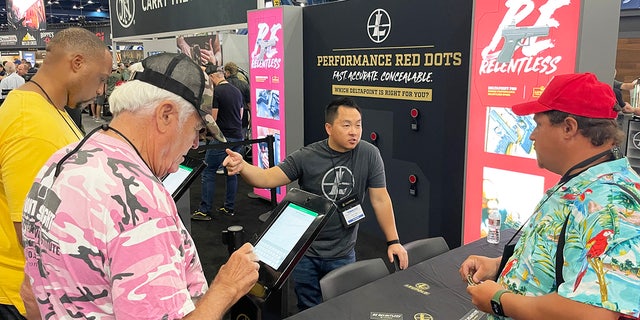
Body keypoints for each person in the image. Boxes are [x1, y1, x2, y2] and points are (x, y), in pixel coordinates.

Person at [22, 52, 259, 318]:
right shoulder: (137, 202)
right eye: (196, 129)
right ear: (165, 115)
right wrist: (227, 287)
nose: (195, 143)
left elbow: (32, 295)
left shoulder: (60, 161)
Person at [459, 73, 640, 319]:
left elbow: (591, 314)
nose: (532, 136)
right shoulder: (585, 180)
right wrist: (499, 265)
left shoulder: (610, 204)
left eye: (538, 124)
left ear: (568, 127)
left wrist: (499, 300)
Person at [222, 96, 409, 310]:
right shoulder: (307, 156)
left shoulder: (369, 154)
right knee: (308, 306)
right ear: (329, 128)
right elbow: (267, 178)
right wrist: (243, 166)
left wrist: (393, 241)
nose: (354, 132)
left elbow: (380, 199)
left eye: (358, 125)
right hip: (306, 252)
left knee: (342, 306)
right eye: (346, 125)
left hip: (343, 251)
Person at [0, 27, 112, 320]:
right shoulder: (32, 125)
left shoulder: (48, 107)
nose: (101, 90)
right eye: (101, 78)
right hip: (26, 293)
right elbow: (33, 232)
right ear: (77, 63)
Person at [192, 69, 245, 220]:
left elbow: (212, 117)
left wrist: (203, 132)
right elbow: (240, 115)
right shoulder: (237, 91)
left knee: (208, 171)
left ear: (212, 77)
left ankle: (205, 210)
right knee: (231, 172)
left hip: (222, 138)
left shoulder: (217, 92)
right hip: (238, 136)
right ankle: (229, 208)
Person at [223, 62, 251, 139]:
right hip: (243, 117)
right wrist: (251, 118)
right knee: (241, 141)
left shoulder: (222, 85)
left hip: (226, 117)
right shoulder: (244, 84)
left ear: (227, 72)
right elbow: (249, 104)